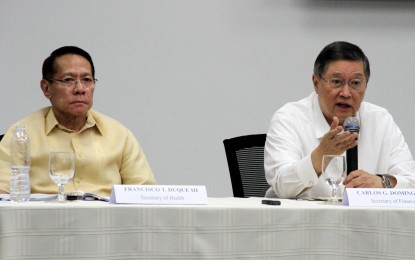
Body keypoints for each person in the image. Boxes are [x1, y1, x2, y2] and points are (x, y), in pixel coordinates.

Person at [264, 41, 415, 199]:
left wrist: (382, 183)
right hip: (304, 221)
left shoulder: (380, 120)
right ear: (316, 83)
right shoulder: (289, 118)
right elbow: (282, 186)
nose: (346, 93)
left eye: (355, 83)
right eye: (336, 82)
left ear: (366, 87)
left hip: (364, 221)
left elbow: (411, 181)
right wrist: (322, 153)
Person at [0, 46, 156, 197]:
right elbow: (3, 193)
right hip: (44, 222)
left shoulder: (119, 135)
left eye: (87, 80)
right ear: (46, 88)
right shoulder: (21, 134)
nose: (80, 89)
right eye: (68, 80)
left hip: (105, 221)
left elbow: (145, 195)